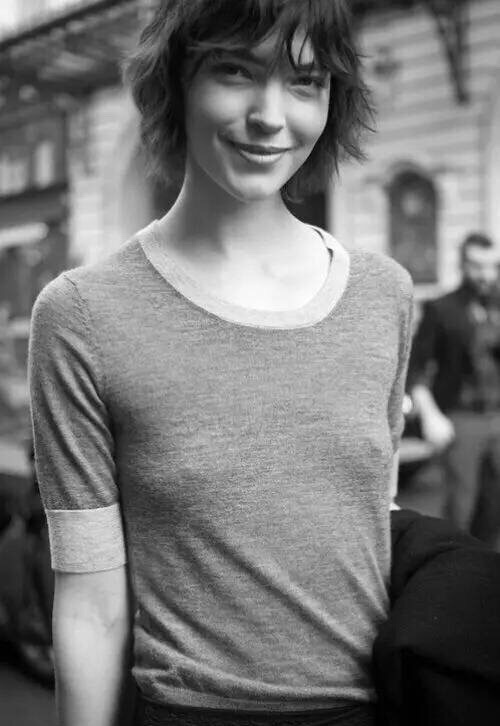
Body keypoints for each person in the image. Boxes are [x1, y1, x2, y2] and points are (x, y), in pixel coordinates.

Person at [28, 2, 414, 725]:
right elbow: (90, 607)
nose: (271, 116)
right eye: (235, 71)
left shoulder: (382, 294)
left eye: (305, 81)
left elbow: (369, 517)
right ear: (175, 81)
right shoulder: (82, 313)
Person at [409, 232, 500, 548]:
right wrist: (431, 415)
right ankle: (454, 565)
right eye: (477, 266)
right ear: (462, 265)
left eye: (492, 266)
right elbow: (416, 368)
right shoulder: (441, 308)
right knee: (461, 505)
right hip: (461, 417)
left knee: (494, 508)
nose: (485, 274)